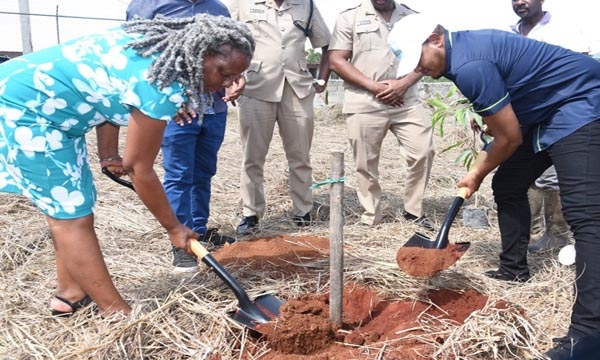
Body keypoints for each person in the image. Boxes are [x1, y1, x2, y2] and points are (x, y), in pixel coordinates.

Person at [0, 14, 254, 317]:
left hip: (53, 115)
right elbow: (139, 169)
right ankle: (116, 314)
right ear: (199, 54)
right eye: (224, 72)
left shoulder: (156, 54)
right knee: (71, 216)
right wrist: (174, 228)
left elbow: (106, 89)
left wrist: (108, 153)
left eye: (236, 77)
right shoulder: (160, 83)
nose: (227, 84)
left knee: (76, 204)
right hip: (24, 110)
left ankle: (71, 294)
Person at [388, 13, 600, 359]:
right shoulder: (459, 57)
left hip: (581, 102)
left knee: (587, 217)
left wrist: (476, 173)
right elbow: (504, 123)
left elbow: (508, 138)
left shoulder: (470, 64)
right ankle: (513, 269)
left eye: (419, 58)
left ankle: (589, 337)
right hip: (542, 113)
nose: (419, 68)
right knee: (510, 184)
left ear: (436, 39)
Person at [126, 0, 241, 273]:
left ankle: (198, 231)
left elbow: (228, 54)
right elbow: (135, 57)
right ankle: (181, 244)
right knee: (179, 175)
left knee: (204, 172)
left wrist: (238, 77)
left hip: (213, 107)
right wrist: (168, 99)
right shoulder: (149, 6)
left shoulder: (218, 9)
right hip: (174, 111)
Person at [225, 0, 331, 234]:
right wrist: (230, 77)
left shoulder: (307, 5)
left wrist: (322, 79)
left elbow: (327, 45)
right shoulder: (242, 4)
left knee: (300, 156)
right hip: (255, 87)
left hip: (298, 88)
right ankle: (251, 214)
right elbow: (225, 41)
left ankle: (303, 211)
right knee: (252, 157)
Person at [328, 0, 435, 229]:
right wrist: (374, 87)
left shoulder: (413, 17)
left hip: (406, 100)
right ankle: (371, 215)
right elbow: (337, 60)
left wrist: (403, 84)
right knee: (365, 162)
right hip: (365, 100)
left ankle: (413, 212)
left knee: (423, 152)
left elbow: (429, 55)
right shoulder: (350, 17)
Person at [510, 0, 589, 253]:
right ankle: (534, 233)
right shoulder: (511, 31)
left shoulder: (562, 29)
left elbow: (580, 67)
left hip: (559, 113)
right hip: (524, 115)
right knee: (527, 173)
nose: (520, 2)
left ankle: (557, 234)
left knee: (554, 176)